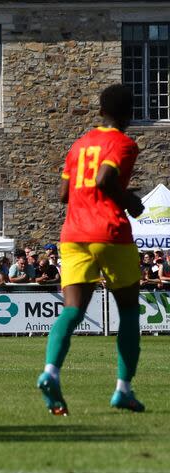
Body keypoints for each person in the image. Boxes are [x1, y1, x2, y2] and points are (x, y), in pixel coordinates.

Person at [37, 84, 146, 415]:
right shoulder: (124, 142)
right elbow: (104, 178)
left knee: (72, 310)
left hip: (73, 233)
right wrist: (130, 201)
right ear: (129, 114)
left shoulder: (78, 145)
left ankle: (50, 372)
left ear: (100, 111)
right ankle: (123, 390)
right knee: (128, 310)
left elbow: (63, 194)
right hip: (109, 231)